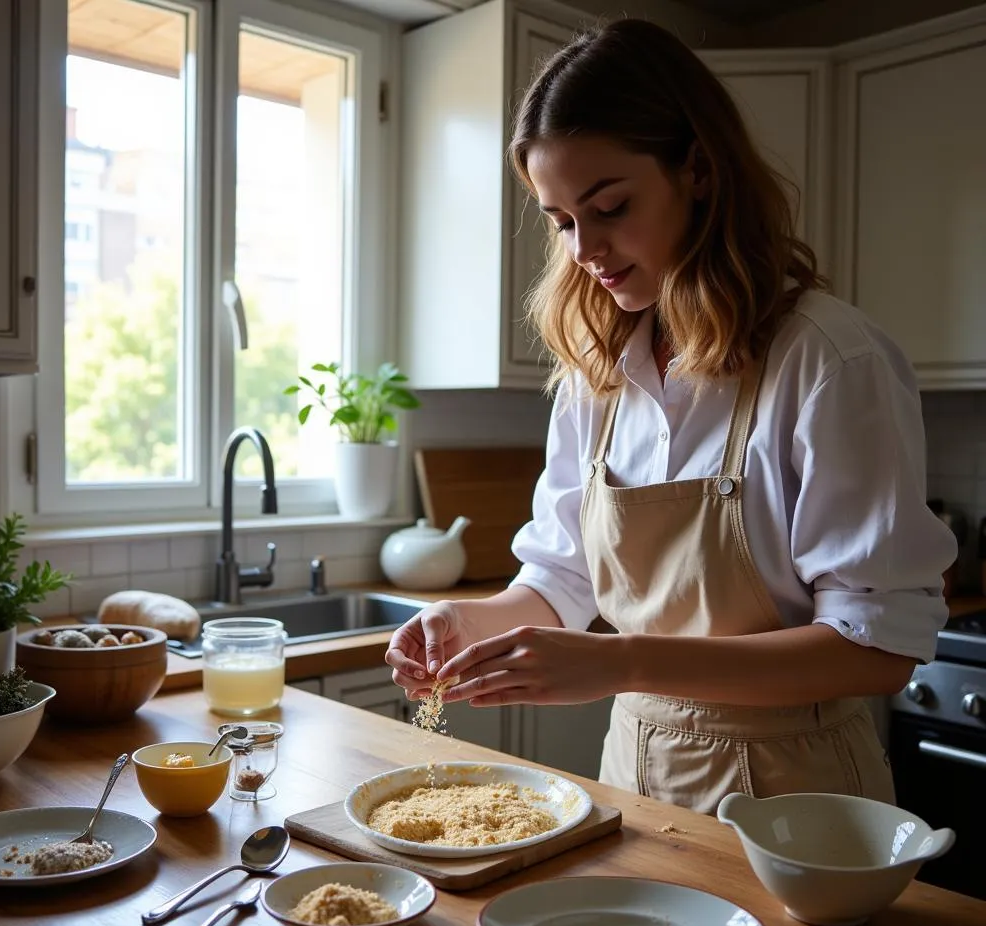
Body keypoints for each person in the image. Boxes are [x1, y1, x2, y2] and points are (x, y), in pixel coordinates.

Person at [385, 18, 956, 814]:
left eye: (610, 206)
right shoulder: (597, 375)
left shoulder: (828, 360)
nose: (585, 247)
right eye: (560, 221)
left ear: (698, 170)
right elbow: (562, 579)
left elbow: (875, 650)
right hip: (634, 778)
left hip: (801, 798)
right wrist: (465, 622)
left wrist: (624, 664)